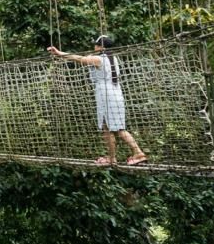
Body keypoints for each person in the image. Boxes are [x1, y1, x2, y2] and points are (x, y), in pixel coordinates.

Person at [48, 35, 147, 166]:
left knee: (109, 127)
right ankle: (121, 156)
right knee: (116, 127)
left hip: (106, 94)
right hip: (115, 92)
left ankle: (130, 154)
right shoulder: (112, 58)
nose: (94, 47)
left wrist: (59, 53)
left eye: (96, 45)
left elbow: (79, 59)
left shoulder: (99, 59)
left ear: (101, 47)